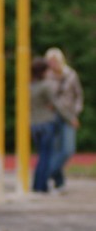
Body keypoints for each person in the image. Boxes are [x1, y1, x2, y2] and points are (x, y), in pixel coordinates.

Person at [45, 47, 83, 193]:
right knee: (55, 149)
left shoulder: (71, 75)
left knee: (67, 150)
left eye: (54, 61)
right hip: (52, 116)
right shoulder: (47, 76)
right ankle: (59, 183)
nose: (52, 64)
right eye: (50, 61)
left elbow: (79, 95)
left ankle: (47, 174)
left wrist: (75, 112)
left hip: (68, 116)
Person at [29, 57, 58, 193]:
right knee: (46, 157)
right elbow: (54, 103)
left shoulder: (29, 86)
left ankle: (36, 184)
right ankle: (42, 186)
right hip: (46, 123)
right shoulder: (46, 86)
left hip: (34, 124)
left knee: (41, 156)